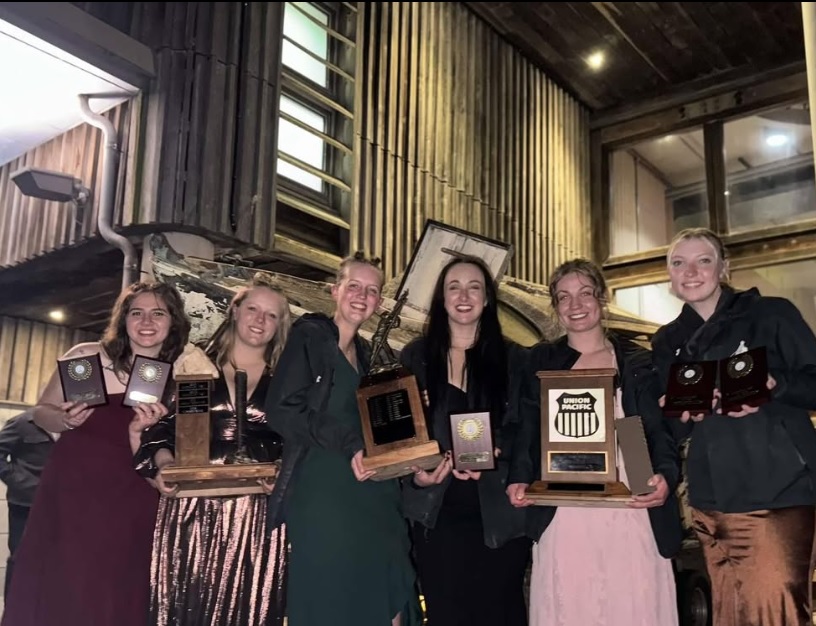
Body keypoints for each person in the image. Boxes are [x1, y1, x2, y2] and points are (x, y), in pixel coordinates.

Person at [651, 227, 816, 626]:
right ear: (669, 275)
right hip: (709, 502)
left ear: (724, 267)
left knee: (775, 612)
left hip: (776, 493)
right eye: (678, 263)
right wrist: (675, 413)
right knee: (730, 614)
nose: (690, 271)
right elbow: (672, 430)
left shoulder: (771, 314)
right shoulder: (666, 341)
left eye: (703, 260)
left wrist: (777, 385)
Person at [1, 281, 191, 626]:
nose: (147, 321)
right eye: (137, 313)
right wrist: (62, 418)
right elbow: (41, 411)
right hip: (75, 484)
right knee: (67, 578)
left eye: (158, 313)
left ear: (173, 321)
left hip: (134, 488)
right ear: (124, 320)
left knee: (117, 581)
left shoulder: (184, 374)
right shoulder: (87, 357)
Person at [507, 258, 682, 626]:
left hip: (627, 500)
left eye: (585, 293)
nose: (576, 305)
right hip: (563, 504)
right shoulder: (540, 359)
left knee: (630, 599)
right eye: (564, 297)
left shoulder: (635, 359)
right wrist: (519, 477)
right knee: (571, 602)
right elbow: (527, 427)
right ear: (555, 307)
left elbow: (641, 428)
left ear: (601, 298)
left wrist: (660, 476)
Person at [264, 252, 421, 626]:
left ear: (379, 302)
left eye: (371, 290)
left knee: (390, 585)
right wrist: (350, 441)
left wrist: (412, 419)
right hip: (325, 490)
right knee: (333, 595)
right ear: (335, 291)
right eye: (353, 286)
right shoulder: (312, 335)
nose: (362, 296)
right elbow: (282, 409)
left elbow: (378, 428)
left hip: (376, 493)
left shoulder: (370, 357)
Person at [134, 275, 292, 626]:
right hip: (194, 507)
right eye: (253, 309)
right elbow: (161, 428)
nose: (259, 320)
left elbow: (296, 441)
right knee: (189, 607)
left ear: (280, 325)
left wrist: (282, 472)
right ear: (235, 311)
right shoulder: (192, 364)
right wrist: (165, 465)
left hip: (258, 511)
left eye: (271, 315)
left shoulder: (287, 378)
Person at [398, 255, 531, 626]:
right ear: (441, 298)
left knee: (500, 613)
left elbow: (525, 428)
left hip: (499, 512)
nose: (464, 295)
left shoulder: (515, 358)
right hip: (436, 515)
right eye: (453, 286)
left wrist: (499, 448)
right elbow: (403, 437)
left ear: (487, 298)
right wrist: (416, 475)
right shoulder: (416, 357)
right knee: (446, 615)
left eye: (475, 286)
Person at [0, 408, 57, 596]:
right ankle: (12, 612)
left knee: (51, 558)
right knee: (19, 556)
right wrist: (20, 481)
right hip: (24, 503)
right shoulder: (23, 423)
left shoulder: (70, 426)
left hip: (57, 504)